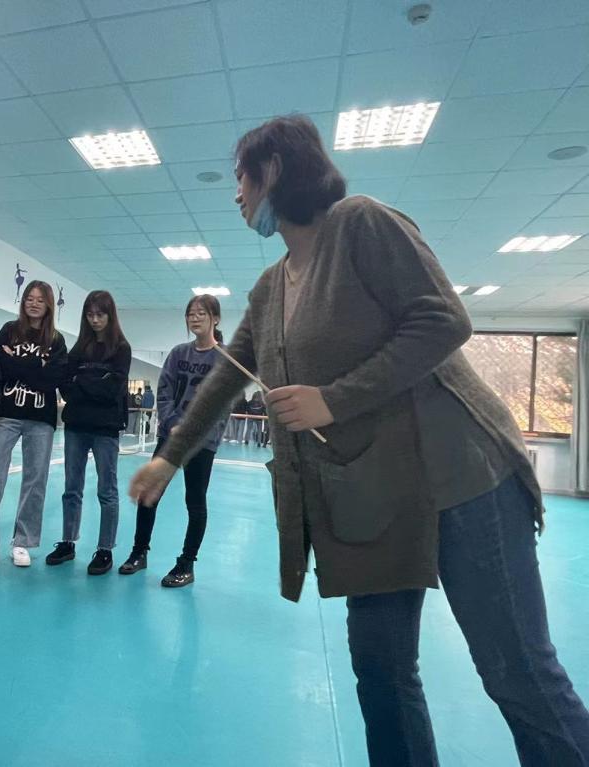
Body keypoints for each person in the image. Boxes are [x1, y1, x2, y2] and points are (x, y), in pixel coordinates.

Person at [129, 114, 589, 766]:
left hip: (464, 477)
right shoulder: (272, 287)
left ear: (275, 171)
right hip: (379, 497)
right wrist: (169, 457)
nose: (236, 194)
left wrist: (332, 398)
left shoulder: (361, 223)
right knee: (380, 670)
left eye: (242, 178)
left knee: (518, 673)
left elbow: (443, 320)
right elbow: (227, 377)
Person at [120, 294, 226, 587]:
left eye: (202, 313)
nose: (195, 318)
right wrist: (172, 424)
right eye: (191, 313)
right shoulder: (179, 353)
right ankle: (139, 552)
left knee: (195, 501)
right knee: (149, 494)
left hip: (202, 443)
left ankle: (186, 564)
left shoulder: (224, 359)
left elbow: (222, 405)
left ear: (216, 319)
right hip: (171, 437)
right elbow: (165, 391)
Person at [0, 281, 67, 567]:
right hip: (6, 414)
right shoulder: (8, 330)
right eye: (29, 298)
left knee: (35, 479)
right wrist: (37, 366)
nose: (34, 303)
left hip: (41, 419)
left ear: (49, 305)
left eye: (40, 299)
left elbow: (53, 380)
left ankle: (23, 542)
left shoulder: (56, 340)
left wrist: (17, 363)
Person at [47, 290, 131, 575]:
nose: (95, 320)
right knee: (72, 488)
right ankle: (67, 542)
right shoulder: (79, 348)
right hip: (76, 427)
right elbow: (65, 384)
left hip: (105, 429)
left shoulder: (121, 349)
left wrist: (82, 383)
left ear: (110, 316)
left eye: (100, 315)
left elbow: (112, 390)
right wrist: (91, 384)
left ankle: (105, 549)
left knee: (107, 490)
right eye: (90, 315)